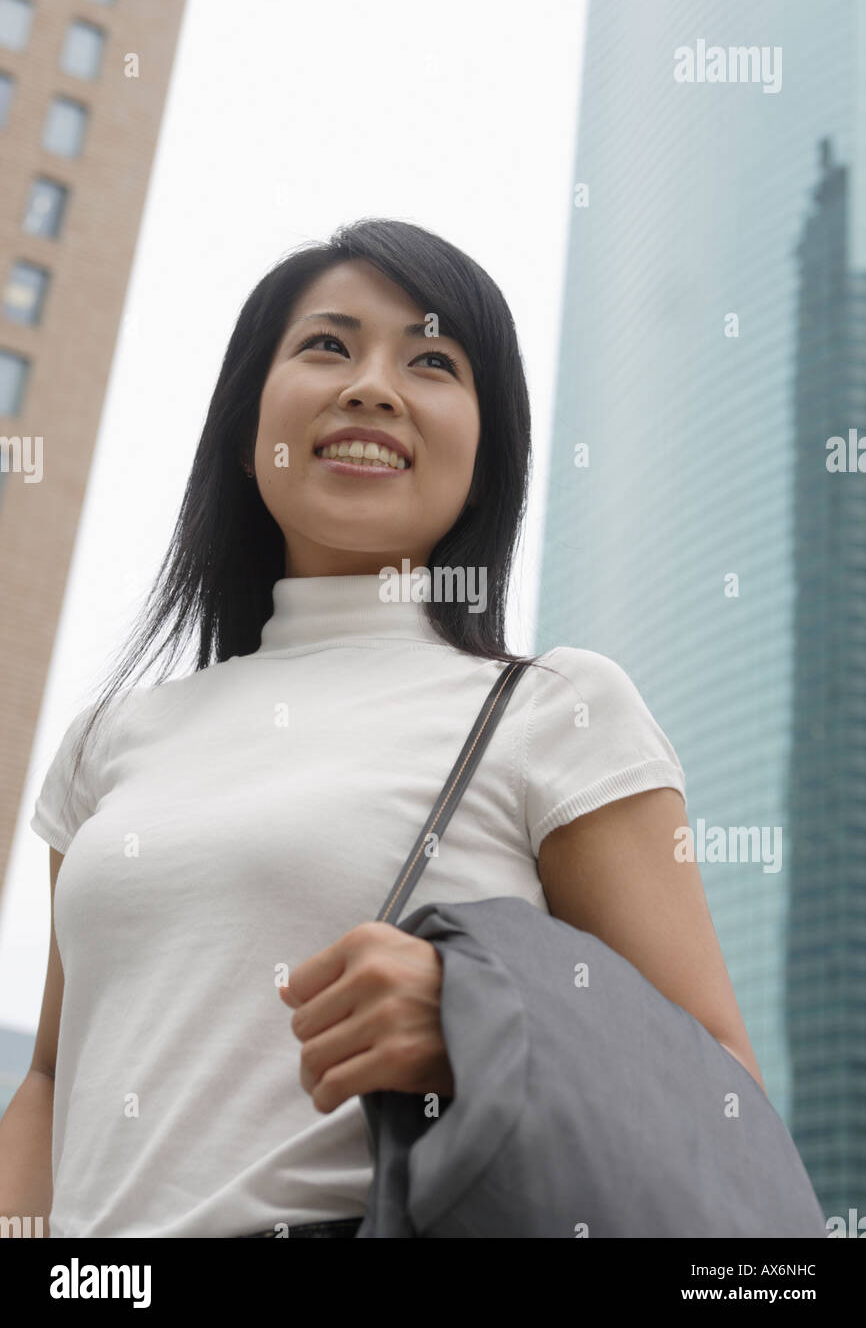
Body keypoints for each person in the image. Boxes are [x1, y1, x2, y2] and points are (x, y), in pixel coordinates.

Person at [0, 217, 764, 1239]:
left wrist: (476, 1018)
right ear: (247, 425)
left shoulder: (551, 709)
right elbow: (53, 1073)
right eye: (326, 344)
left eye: (432, 360)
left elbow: (723, 1096)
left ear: (486, 450)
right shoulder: (112, 739)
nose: (370, 384)